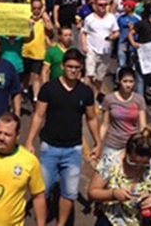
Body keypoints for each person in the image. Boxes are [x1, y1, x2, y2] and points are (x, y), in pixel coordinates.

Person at [25, 48, 101, 226]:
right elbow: (38, 116)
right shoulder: (49, 89)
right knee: (41, 190)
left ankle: (61, 224)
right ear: (62, 66)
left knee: (69, 192)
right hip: (49, 148)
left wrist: (98, 142)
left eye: (77, 67)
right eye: (70, 66)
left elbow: (91, 118)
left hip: (73, 150)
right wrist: (29, 141)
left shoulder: (85, 92)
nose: (73, 70)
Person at [88, 127, 151, 226]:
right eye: (133, 163)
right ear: (127, 152)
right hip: (111, 220)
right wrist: (113, 194)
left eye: (144, 164)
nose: (138, 167)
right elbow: (92, 192)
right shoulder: (109, 162)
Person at [99, 67, 147, 157]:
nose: (128, 85)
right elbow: (104, 125)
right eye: (125, 81)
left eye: (131, 81)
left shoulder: (139, 100)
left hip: (132, 146)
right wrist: (98, 144)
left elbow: (143, 126)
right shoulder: (109, 99)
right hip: (113, 145)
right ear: (119, 81)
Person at [81, 0, 119, 101]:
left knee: (99, 77)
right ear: (95, 6)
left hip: (105, 52)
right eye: (100, 5)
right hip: (92, 50)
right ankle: (83, 96)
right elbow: (84, 33)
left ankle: (94, 97)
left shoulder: (111, 18)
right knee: (89, 74)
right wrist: (84, 45)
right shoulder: (89, 19)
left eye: (105, 4)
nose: (103, 7)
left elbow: (116, 32)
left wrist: (112, 37)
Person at [128, 6, 151, 97]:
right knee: (140, 78)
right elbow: (131, 33)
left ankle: (139, 96)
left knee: (146, 78)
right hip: (140, 54)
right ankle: (140, 100)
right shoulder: (142, 23)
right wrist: (134, 43)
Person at [23, 0, 54, 103]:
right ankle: (25, 90)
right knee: (26, 74)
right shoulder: (27, 19)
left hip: (38, 53)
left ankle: (36, 97)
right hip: (26, 51)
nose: (36, 11)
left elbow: (50, 28)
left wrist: (44, 15)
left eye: (38, 8)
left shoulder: (43, 21)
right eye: (34, 8)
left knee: (36, 75)